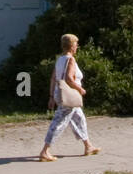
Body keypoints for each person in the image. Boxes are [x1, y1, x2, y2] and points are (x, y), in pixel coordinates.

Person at [38, 33, 100, 161]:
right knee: (59, 122)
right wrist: (80, 89)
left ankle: (88, 146)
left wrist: (51, 96)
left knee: (79, 119)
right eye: (76, 44)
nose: (77, 47)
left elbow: (53, 78)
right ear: (72, 46)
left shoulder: (60, 59)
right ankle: (45, 151)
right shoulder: (70, 59)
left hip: (60, 93)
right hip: (69, 95)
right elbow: (69, 78)